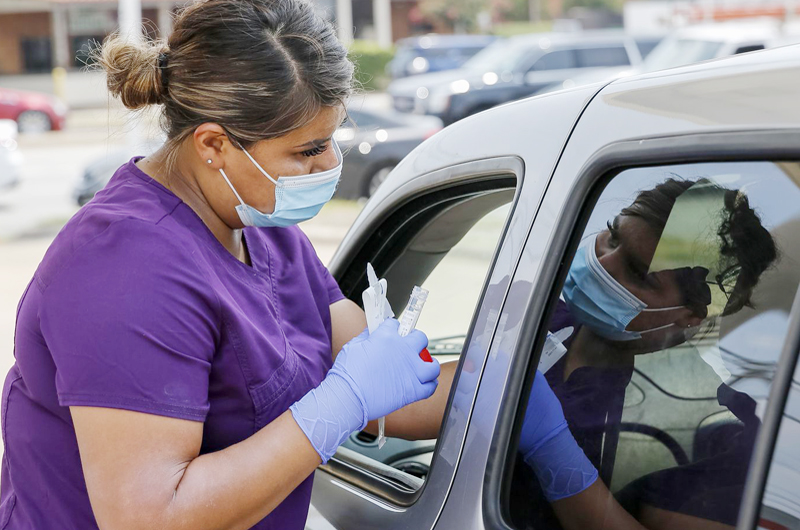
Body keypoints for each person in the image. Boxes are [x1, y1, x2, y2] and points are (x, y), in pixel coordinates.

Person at [1, 2, 447, 528]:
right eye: (309, 150)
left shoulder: (265, 232)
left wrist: (534, 392)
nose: (331, 165)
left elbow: (394, 391)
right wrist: (342, 402)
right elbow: (149, 516)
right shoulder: (121, 266)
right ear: (213, 144)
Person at [509, 178, 778, 530]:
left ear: (692, 314)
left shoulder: (714, 423)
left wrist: (554, 452)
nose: (602, 264)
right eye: (613, 237)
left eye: (639, 273)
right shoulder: (535, 319)